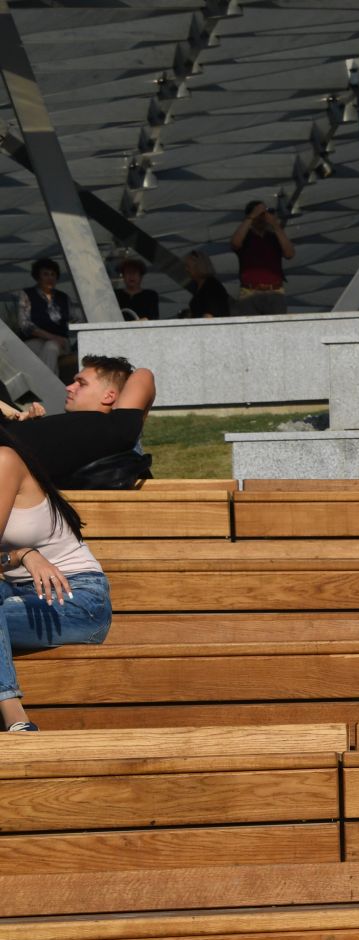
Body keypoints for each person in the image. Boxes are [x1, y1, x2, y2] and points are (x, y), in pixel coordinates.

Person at [0, 425, 111, 732]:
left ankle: (17, 721)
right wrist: (24, 554)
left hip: (76, 598)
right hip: (17, 592)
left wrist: (23, 554)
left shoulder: (4, 460)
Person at [0, 356, 154, 487]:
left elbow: (143, 375)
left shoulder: (110, 429)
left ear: (109, 396)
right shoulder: (92, 433)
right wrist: (22, 420)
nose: (69, 387)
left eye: (81, 383)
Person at [228, 200, 294, 315]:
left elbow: (289, 254)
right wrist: (251, 217)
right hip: (249, 292)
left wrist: (276, 226)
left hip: (275, 291)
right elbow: (235, 243)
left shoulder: (274, 237)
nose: (262, 217)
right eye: (260, 214)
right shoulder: (245, 236)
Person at [15, 260, 70, 374]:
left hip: (60, 341)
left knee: (50, 348)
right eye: (45, 274)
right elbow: (25, 325)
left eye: (53, 274)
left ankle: (48, 388)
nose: (50, 278)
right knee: (25, 351)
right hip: (37, 339)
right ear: (37, 277)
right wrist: (51, 336)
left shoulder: (64, 297)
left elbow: (76, 320)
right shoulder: (27, 294)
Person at [181, 250, 230, 318]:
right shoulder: (198, 285)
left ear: (199, 266)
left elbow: (212, 314)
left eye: (188, 266)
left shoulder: (211, 286)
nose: (186, 269)